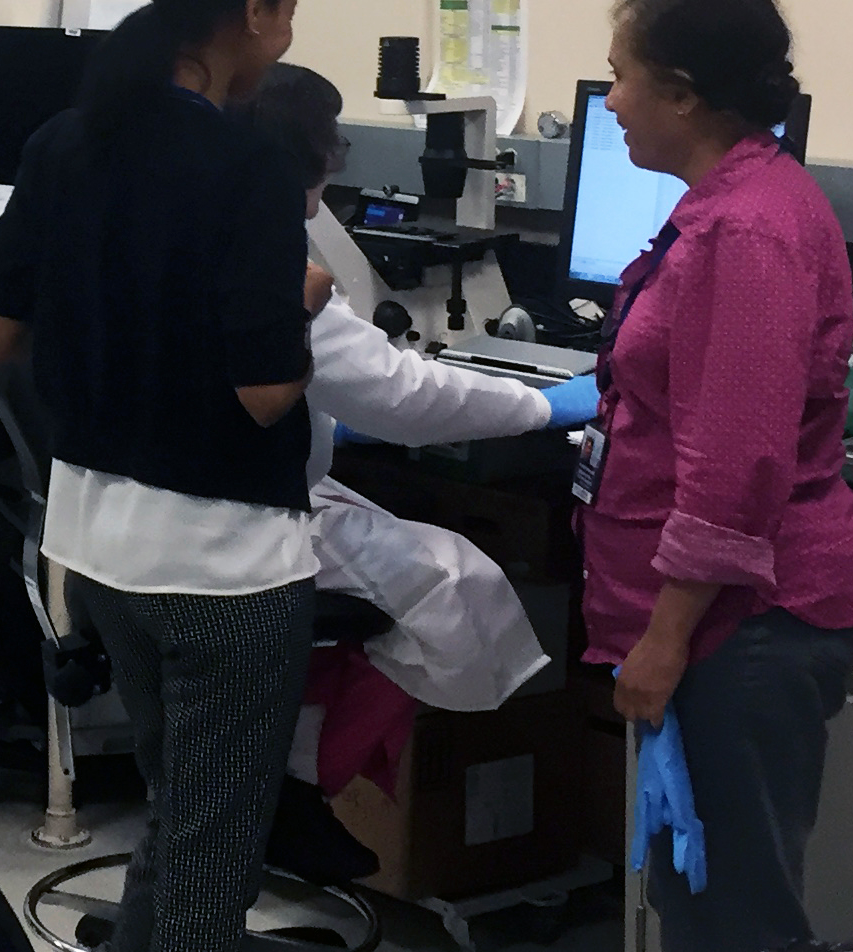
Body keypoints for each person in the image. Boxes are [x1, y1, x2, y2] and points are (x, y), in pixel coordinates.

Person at [0, 0, 320, 952]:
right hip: (223, 566)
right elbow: (265, 394)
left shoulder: (63, 141)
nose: (287, 34)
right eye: (288, 12)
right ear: (253, 10)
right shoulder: (248, 163)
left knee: (178, 819)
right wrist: (304, 300)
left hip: (96, 548)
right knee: (212, 866)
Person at [576, 0, 853, 952]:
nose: (609, 99)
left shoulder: (749, 230)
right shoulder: (725, 202)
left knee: (734, 913)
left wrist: (662, 639)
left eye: (621, 75)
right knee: (699, 895)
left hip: (746, 623)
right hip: (725, 620)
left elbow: (737, 467)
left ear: (682, 93)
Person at [241, 63, 605, 882]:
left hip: (165, 520)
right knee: (459, 587)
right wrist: (544, 407)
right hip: (256, 519)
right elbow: (399, 393)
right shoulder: (268, 255)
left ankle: (293, 784)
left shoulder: (184, 225)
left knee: (404, 579)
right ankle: (299, 789)